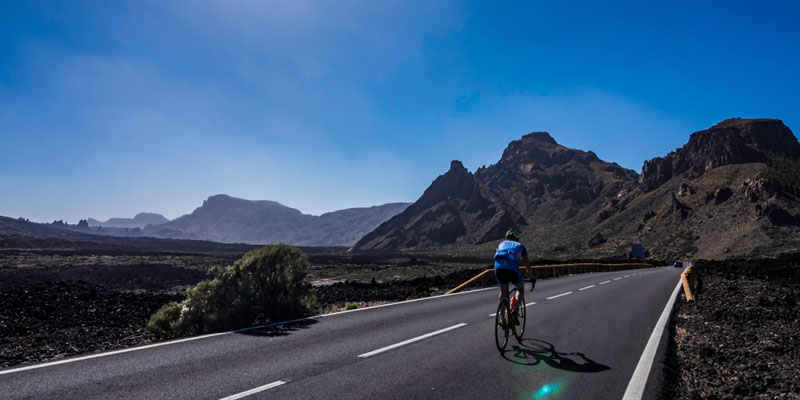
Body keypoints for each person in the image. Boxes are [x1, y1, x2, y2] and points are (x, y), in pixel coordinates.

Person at [494, 228, 535, 323]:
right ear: (517, 238)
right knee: (520, 288)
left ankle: (502, 318)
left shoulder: (501, 244)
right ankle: (515, 312)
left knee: (503, 291)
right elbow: (527, 264)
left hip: (498, 268)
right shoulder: (520, 246)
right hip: (512, 268)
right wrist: (531, 276)